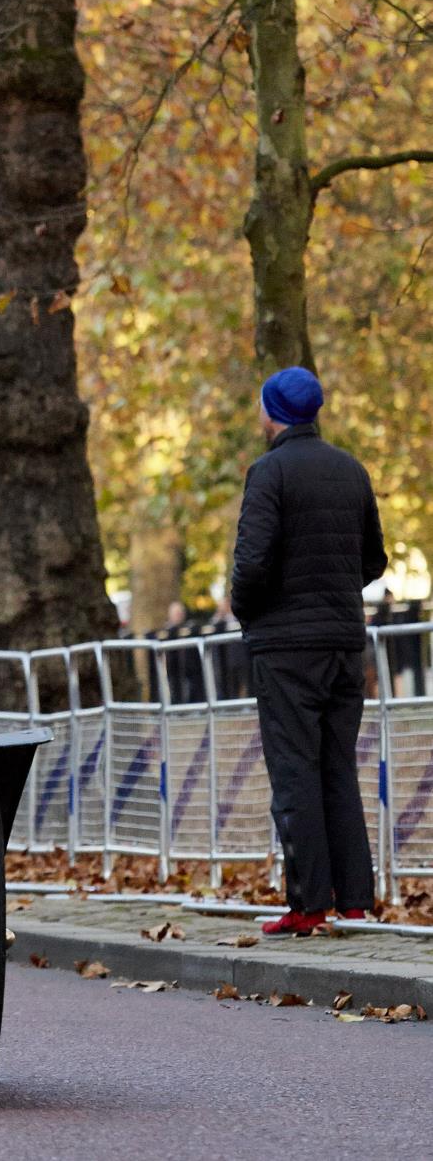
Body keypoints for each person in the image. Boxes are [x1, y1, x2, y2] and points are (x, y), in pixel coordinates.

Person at [230, 366, 386, 936]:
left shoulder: (269, 473)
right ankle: (353, 898)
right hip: (346, 643)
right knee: (338, 767)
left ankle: (308, 904)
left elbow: (252, 564)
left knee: (295, 772)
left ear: (273, 411)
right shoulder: (351, 470)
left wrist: (251, 613)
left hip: (286, 648)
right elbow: (374, 560)